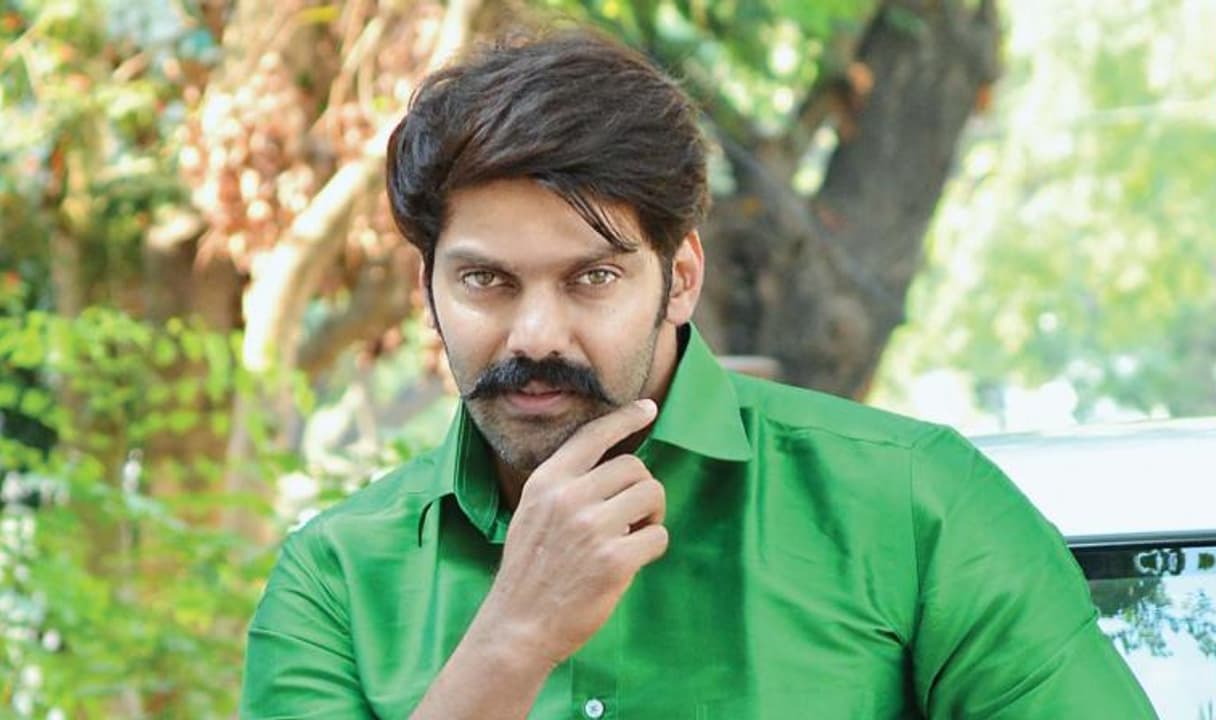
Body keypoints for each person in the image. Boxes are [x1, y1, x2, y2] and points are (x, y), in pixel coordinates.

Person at [240, 29, 1156, 719]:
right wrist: (514, 638)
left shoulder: (915, 505)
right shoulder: (336, 583)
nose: (536, 334)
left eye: (592, 278)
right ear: (428, 291)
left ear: (679, 279)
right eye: (486, 281)